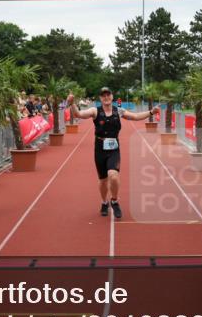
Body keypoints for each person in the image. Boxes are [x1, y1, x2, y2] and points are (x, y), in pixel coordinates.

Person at [67, 87, 159, 219]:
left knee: (113, 175)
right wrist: (72, 103)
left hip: (114, 148)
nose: (106, 97)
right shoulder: (95, 111)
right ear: (100, 98)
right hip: (99, 148)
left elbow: (135, 116)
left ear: (112, 96)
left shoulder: (119, 111)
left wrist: (151, 112)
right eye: (103, 95)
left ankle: (114, 201)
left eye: (108, 95)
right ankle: (104, 202)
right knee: (103, 180)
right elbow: (78, 114)